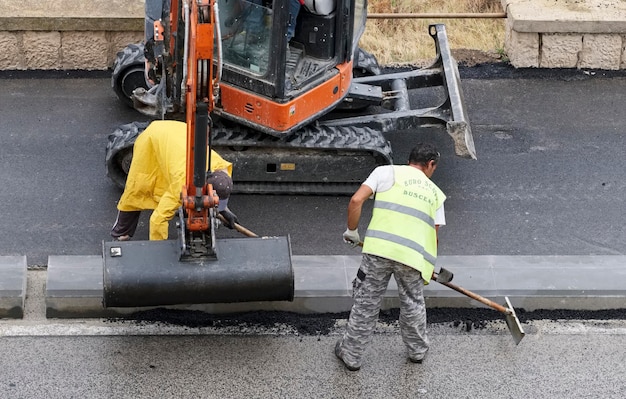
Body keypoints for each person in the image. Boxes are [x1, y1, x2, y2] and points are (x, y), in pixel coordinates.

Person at [335, 143, 446, 371]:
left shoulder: (385, 172)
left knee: (367, 302)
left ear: (410, 160)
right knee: (413, 304)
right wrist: (427, 267)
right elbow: (432, 238)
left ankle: (351, 355)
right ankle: (417, 351)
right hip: (412, 258)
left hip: (378, 251)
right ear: (430, 164)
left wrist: (352, 231)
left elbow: (356, 200)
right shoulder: (435, 193)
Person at [111, 120, 238, 241]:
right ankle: (121, 232)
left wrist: (223, 210)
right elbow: (158, 219)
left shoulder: (221, 168)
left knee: (165, 184)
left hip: (179, 134)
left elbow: (217, 192)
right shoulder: (182, 184)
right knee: (138, 186)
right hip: (154, 138)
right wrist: (158, 249)